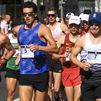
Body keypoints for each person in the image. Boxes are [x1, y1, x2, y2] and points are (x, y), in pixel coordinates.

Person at [13, 1, 57, 101]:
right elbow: (20, 43)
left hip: (40, 72)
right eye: (24, 15)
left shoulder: (42, 29)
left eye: (30, 14)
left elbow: (55, 47)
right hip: (25, 72)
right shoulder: (19, 29)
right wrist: (19, 54)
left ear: (35, 14)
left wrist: (39, 47)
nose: (27, 17)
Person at [71, 12, 101, 101]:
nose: (94, 26)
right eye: (91, 24)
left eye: (97, 24)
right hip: (87, 79)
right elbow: (72, 56)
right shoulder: (82, 40)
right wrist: (81, 65)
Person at [46, 7, 69, 101]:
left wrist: (62, 44)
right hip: (47, 56)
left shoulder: (61, 26)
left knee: (56, 89)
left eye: (52, 15)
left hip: (58, 57)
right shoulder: (45, 27)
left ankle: (58, 96)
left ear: (56, 16)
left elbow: (69, 38)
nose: (51, 17)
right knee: (48, 85)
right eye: (49, 15)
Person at [5, 19, 21, 101]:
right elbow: (5, 50)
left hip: (22, 67)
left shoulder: (24, 37)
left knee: (25, 94)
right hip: (11, 66)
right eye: (13, 27)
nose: (15, 29)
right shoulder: (8, 37)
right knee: (10, 92)